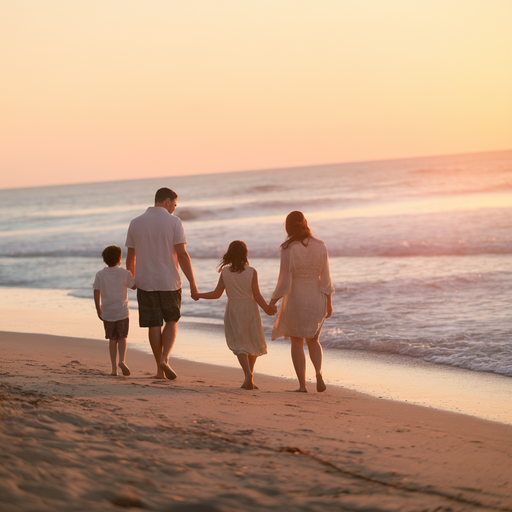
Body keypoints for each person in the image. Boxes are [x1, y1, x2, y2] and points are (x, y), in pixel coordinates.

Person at [125, 187, 199, 380]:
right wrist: (192, 283)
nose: (175, 207)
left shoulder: (135, 223)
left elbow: (130, 258)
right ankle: (165, 359)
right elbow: (182, 254)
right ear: (167, 201)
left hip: (145, 282)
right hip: (169, 281)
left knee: (154, 325)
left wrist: (131, 279)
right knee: (172, 320)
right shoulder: (174, 222)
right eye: (174, 203)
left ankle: (159, 370)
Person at [195, 241, 276, 390]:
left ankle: (248, 375)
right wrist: (267, 308)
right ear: (246, 253)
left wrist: (199, 295)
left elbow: (216, 294)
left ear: (230, 254)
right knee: (252, 341)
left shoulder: (225, 272)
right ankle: (249, 376)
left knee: (239, 344)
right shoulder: (252, 271)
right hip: (250, 308)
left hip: (234, 308)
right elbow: (257, 295)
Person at [269, 211, 334, 393]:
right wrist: (329, 302)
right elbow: (326, 278)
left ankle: (302, 386)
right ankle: (319, 373)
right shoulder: (321, 245)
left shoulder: (288, 247)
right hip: (316, 296)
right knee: (313, 339)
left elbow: (284, 281)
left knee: (296, 342)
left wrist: (272, 302)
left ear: (288, 227)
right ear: (305, 223)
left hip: (296, 297)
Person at [93, 245, 136, 376]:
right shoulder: (124, 273)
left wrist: (98, 308)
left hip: (107, 312)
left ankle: (113, 370)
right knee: (122, 337)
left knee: (112, 339)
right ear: (120, 258)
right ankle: (122, 361)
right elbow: (134, 287)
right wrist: (135, 272)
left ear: (104, 260)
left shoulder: (100, 274)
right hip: (122, 311)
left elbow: (96, 291)